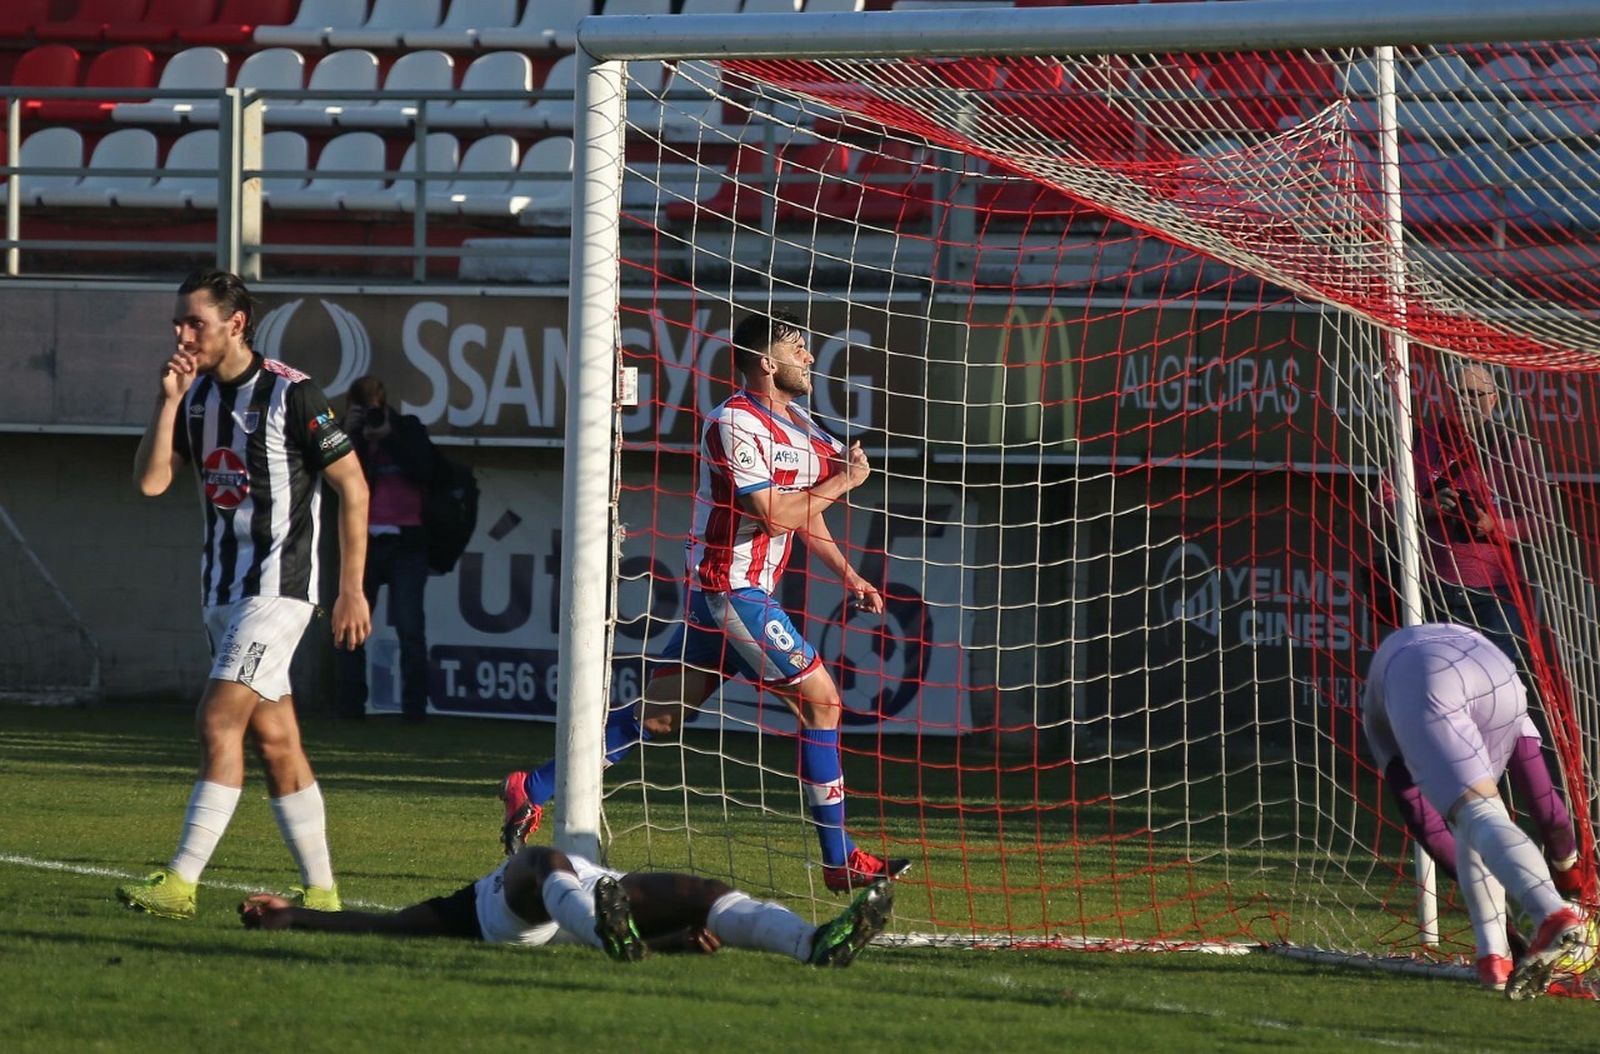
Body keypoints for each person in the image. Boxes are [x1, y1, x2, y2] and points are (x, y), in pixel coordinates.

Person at [500, 309, 908, 892]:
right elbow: (774, 515)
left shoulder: (806, 427)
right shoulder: (732, 423)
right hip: (731, 592)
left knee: (659, 718)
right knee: (823, 703)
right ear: (766, 362)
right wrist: (843, 481)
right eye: (798, 348)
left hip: (726, 599)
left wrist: (851, 576)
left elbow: (804, 514)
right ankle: (839, 860)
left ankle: (531, 787)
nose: (810, 358)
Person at [117, 269, 372, 920]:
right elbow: (150, 483)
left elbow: (353, 486)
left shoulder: (292, 392)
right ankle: (323, 892)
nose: (182, 335)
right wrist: (167, 401)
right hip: (222, 592)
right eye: (177, 323)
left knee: (216, 721)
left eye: (194, 323)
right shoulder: (194, 396)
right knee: (276, 742)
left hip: (278, 592)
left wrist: (350, 589)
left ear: (235, 324)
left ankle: (180, 883)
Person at [1362, 622, 1591, 999]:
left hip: (1420, 673)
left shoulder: (1382, 716)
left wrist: (1559, 901)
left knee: (1476, 815)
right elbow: (1543, 798)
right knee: (1477, 819)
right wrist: (1570, 873)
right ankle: (1495, 959)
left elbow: (1426, 823)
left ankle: (1551, 915)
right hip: (1497, 670)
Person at [239, 843, 894, 968]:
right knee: (539, 859)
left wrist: (672, 942)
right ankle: (608, 930)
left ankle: (811, 944)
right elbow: (388, 925)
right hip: (520, 917)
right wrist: (297, 915)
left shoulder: (596, 887)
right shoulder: (471, 905)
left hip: (601, 904)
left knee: (703, 895)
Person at [1416, 364, 1546, 680]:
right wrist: (1427, 508)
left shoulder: (1512, 446)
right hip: (1434, 589)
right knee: (1439, 685)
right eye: (1458, 393)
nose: (1466, 401)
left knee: (1497, 685)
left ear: (1493, 399)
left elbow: (1543, 522)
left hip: (1495, 595)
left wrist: (1495, 526)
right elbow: (1379, 506)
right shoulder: (1421, 441)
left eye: (1475, 394)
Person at [334, 375, 440, 723]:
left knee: (410, 627)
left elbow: (424, 471)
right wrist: (352, 436)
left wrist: (388, 437)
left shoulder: (407, 428)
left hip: (406, 541)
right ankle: (350, 707)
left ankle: (414, 711)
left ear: (385, 403)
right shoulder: (348, 438)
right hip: (362, 541)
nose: (371, 415)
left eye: (374, 408)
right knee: (350, 625)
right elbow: (343, 479)